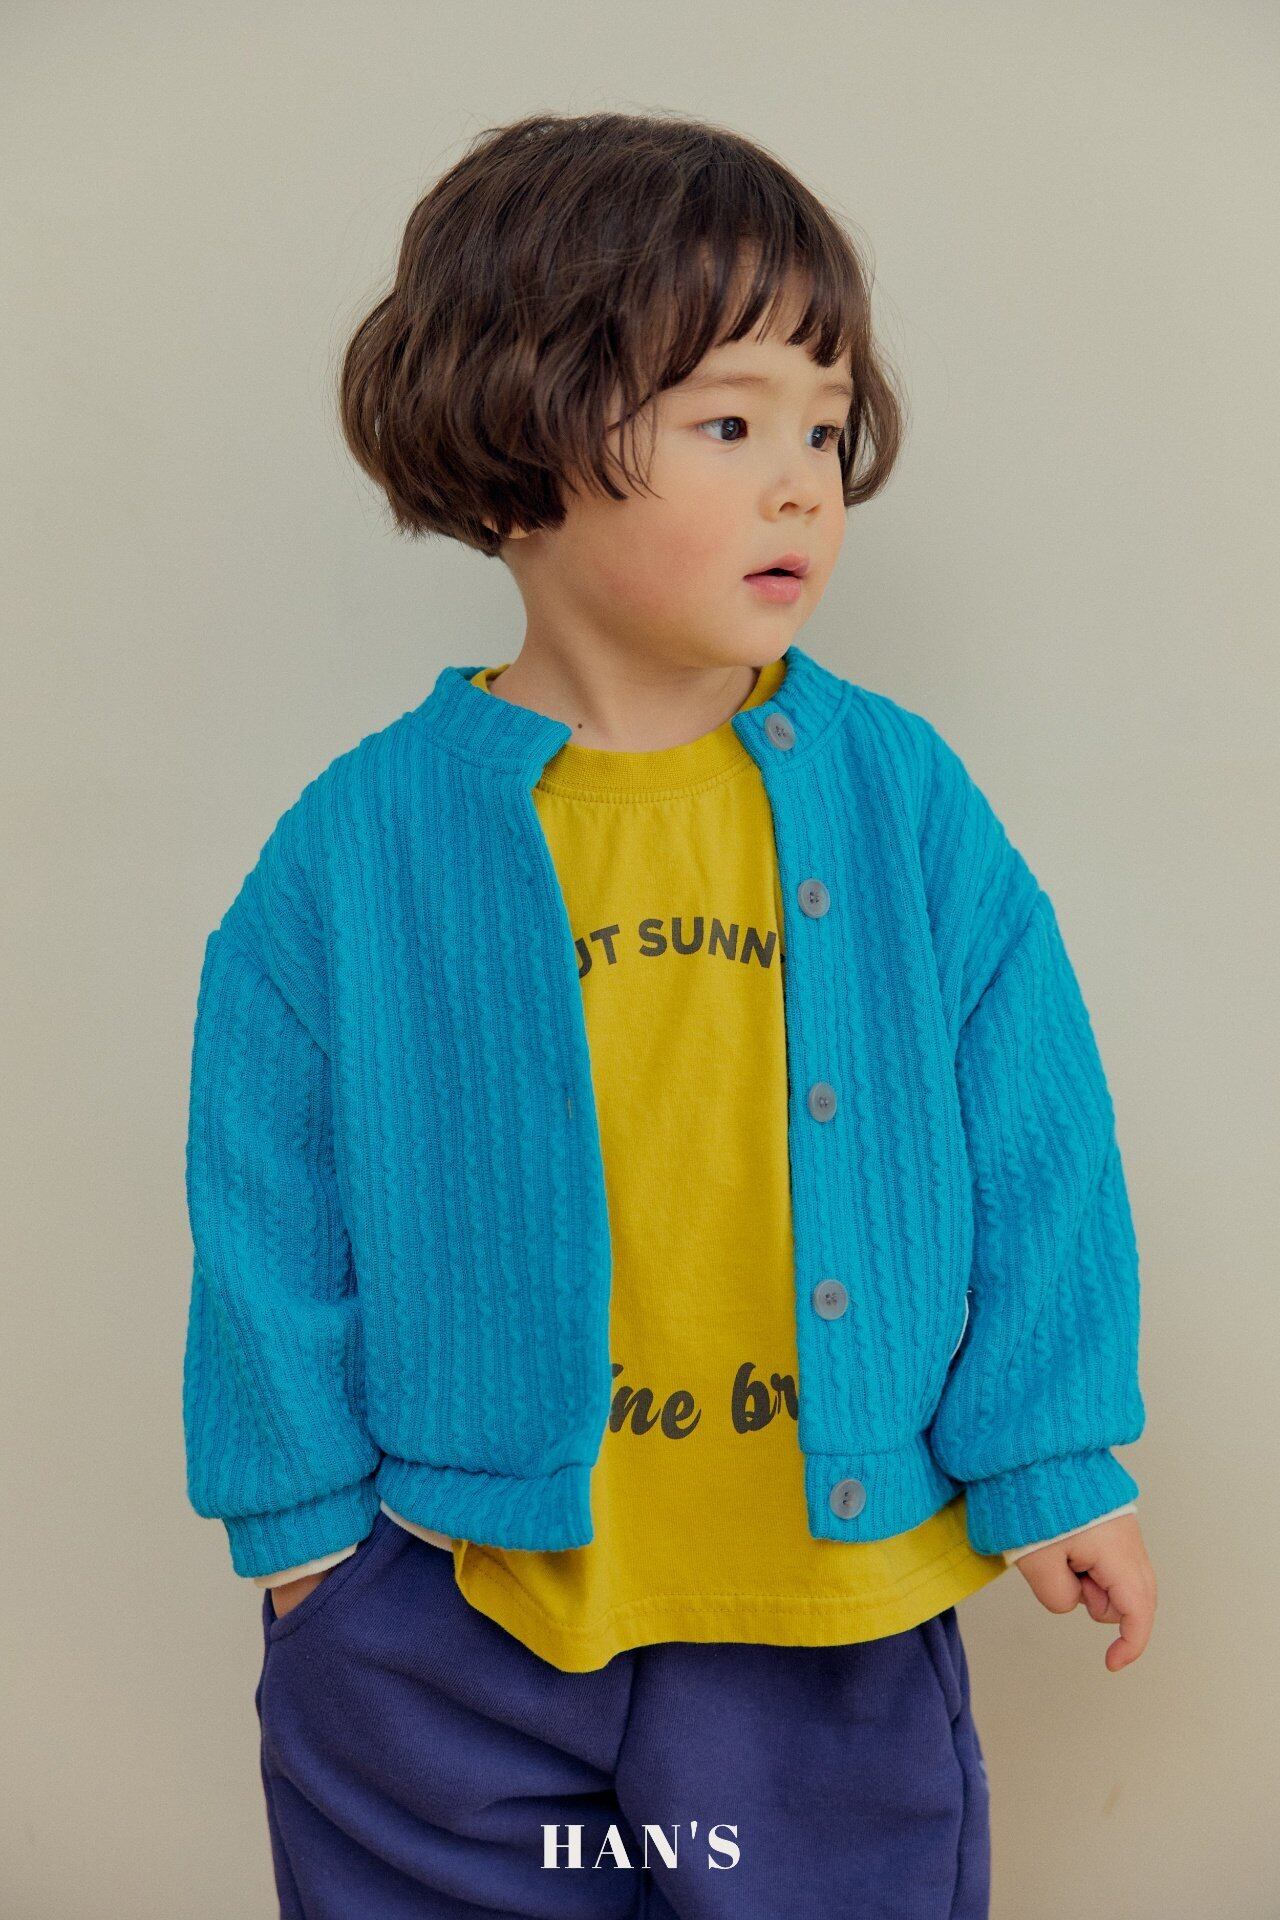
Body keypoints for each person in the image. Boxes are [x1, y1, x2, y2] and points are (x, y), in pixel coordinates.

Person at [182, 109, 1156, 1918]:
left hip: (824, 1607)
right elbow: (262, 1185)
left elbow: (1038, 1134)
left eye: (823, 427)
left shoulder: (894, 799)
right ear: (515, 454)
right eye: (730, 425)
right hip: (448, 1611)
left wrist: (1051, 1454)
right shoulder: (363, 843)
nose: (802, 484)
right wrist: (304, 1536)